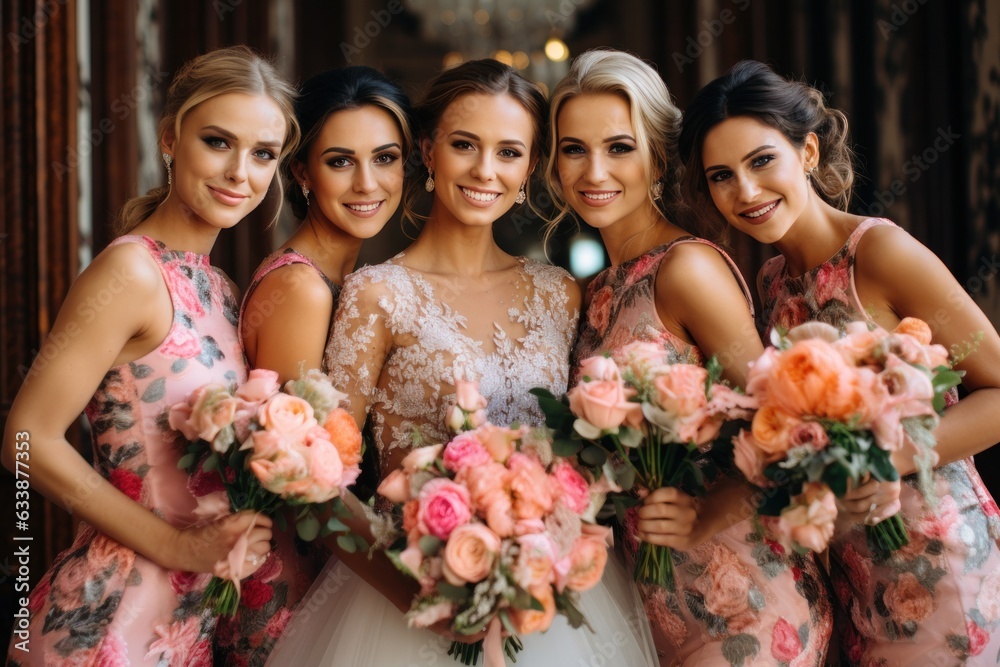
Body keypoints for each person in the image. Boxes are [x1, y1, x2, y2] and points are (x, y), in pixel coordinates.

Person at [265, 58, 657, 666]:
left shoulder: (560, 293)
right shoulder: (376, 294)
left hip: (545, 595)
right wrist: (427, 596)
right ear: (428, 150)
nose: (484, 171)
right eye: (464, 145)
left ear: (531, 167)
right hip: (406, 594)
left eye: (508, 152)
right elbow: (317, 482)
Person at [679, 59, 1000, 665]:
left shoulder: (877, 253)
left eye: (761, 160)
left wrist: (884, 460)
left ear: (807, 150)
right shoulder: (769, 284)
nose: (744, 191)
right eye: (721, 176)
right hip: (854, 582)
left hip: (940, 565)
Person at [2, 46, 299, 666]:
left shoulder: (218, 288)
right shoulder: (131, 271)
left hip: (186, 632)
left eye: (263, 154)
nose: (239, 172)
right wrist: (176, 545)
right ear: (171, 139)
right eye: (218, 142)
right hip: (104, 627)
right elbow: (26, 438)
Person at [546, 48, 833, 666]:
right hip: (655, 598)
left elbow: (786, 428)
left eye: (619, 147)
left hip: (745, 597)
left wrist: (705, 510)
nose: (595, 170)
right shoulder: (595, 288)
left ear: (655, 156)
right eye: (574, 149)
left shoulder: (688, 269)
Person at [216, 66, 413, 665]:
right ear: (301, 171)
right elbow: (304, 480)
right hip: (286, 579)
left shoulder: (345, 280)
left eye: (385, 158)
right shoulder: (301, 289)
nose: (366, 183)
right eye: (339, 161)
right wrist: (412, 592)